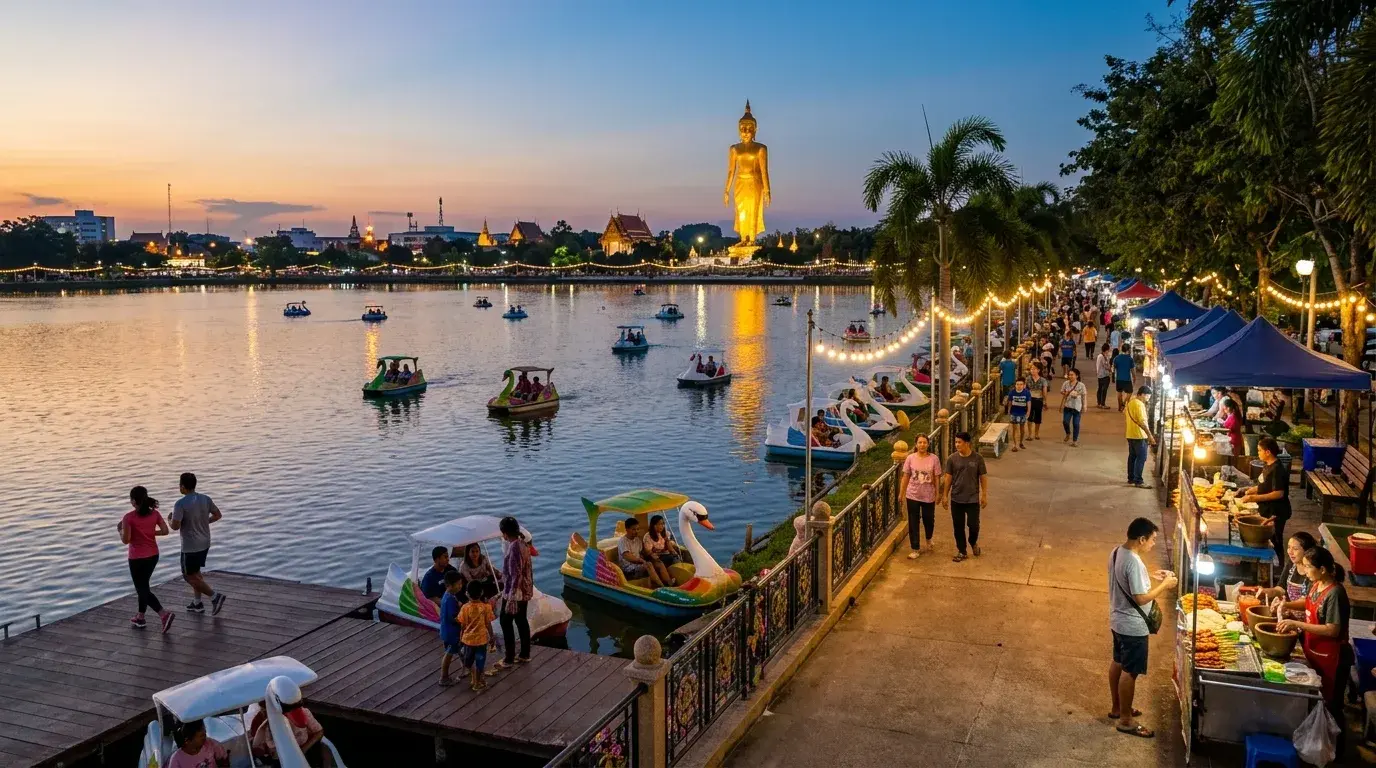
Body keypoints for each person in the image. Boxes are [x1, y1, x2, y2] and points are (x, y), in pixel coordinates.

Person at [1274, 548, 1353, 751]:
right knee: (1317, 701)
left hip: (1333, 657)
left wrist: (1297, 625)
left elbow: (1333, 630)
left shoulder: (1335, 593)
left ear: (1323, 569)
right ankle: (1317, 742)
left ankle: (1337, 751)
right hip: (1315, 651)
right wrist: (1287, 605)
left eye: (1309, 567)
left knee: (1332, 705)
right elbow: (1308, 603)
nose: (1305, 570)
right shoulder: (1317, 584)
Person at [1108, 517, 1177, 739]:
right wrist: (1165, 586)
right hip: (1132, 626)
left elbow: (1128, 581)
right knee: (1131, 671)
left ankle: (1118, 708)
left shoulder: (1117, 552)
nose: (1153, 544)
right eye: (1152, 539)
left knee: (1118, 662)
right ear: (1141, 539)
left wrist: (1151, 576)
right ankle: (1126, 720)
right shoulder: (1134, 562)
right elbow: (1139, 598)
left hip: (1118, 620)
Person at [120, 486, 174, 633]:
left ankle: (163, 614)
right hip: (153, 556)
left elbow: (126, 540)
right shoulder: (154, 514)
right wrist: (149, 532)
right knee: (144, 586)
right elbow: (165, 531)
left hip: (137, 558)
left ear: (133, 501)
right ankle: (140, 617)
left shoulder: (128, 517)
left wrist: (120, 531)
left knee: (141, 588)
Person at [170, 473, 225, 616]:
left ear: (182, 486)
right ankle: (197, 603)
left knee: (188, 576)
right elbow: (218, 515)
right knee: (196, 572)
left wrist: (169, 518)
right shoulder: (206, 499)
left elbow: (175, 526)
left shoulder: (180, 504)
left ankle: (214, 596)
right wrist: (205, 522)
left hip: (190, 546)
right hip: (205, 542)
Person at [1241, 437, 1292, 560]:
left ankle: (1279, 566)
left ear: (1268, 452)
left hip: (1276, 511)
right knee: (1268, 538)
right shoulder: (1267, 465)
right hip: (1267, 509)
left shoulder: (1277, 469)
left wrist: (1254, 497)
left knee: (1275, 539)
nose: (1258, 453)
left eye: (1259, 450)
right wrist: (1247, 490)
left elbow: (1278, 493)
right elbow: (1263, 485)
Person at [940, 432, 987, 563]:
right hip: (956, 498)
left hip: (972, 499)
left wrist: (984, 494)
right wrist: (945, 495)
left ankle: (973, 542)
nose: (957, 445)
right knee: (958, 526)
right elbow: (948, 478)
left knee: (973, 525)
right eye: (956, 442)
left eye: (959, 442)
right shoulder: (952, 459)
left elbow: (983, 477)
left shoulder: (978, 459)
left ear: (967, 443)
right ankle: (962, 551)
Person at [495, 516, 533, 670]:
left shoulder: (514, 548)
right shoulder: (523, 544)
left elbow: (514, 575)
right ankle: (524, 654)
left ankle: (509, 658)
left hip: (515, 592)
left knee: (505, 620)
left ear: (504, 533)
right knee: (521, 620)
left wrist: (510, 598)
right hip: (524, 590)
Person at [250, 683, 324, 762]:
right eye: (264, 709)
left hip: (304, 752)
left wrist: (303, 750)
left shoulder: (301, 713)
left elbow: (319, 731)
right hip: (281, 759)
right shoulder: (260, 721)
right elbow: (258, 748)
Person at [899, 434, 941, 559]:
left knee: (929, 519)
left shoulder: (934, 459)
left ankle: (928, 538)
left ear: (928, 444)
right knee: (913, 522)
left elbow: (937, 477)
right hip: (912, 494)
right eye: (920, 443)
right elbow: (906, 476)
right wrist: (901, 493)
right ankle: (915, 548)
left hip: (928, 495)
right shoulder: (910, 458)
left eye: (924, 442)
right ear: (916, 445)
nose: (922, 445)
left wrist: (938, 493)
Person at [1259, 531, 1318, 617]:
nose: (1290, 552)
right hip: (1291, 615)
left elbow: (1307, 602)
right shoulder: (1292, 564)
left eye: (1295, 549)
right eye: (1289, 547)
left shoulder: (1312, 571)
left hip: (1307, 619)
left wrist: (1285, 604)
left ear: (1307, 551)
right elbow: (1280, 589)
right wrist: (1264, 592)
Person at [457, 581, 496, 691]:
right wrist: (492, 637)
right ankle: (478, 681)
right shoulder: (486, 608)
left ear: (467, 594)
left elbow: (463, 625)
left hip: (468, 640)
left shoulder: (465, 608)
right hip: (481, 641)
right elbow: (488, 623)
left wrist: (461, 637)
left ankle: (476, 679)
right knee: (480, 662)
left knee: (468, 661)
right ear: (482, 592)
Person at [438, 571, 465, 687]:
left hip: (448, 630)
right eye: (458, 584)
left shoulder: (448, 595)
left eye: (461, 583)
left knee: (461, 650)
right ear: (449, 585)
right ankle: (444, 677)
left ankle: (467, 668)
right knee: (449, 653)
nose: (460, 586)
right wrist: (464, 618)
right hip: (451, 632)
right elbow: (453, 618)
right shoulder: (449, 599)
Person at [616, 516, 661, 586]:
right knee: (648, 565)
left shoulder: (637, 540)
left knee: (657, 563)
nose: (636, 531)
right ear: (627, 529)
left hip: (637, 565)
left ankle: (661, 582)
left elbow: (642, 553)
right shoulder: (623, 541)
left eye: (637, 529)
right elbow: (627, 556)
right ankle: (660, 585)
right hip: (628, 570)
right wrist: (641, 560)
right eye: (633, 529)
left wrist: (652, 552)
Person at [1125, 385, 1154, 488]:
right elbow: (1142, 421)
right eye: (1148, 397)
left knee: (1132, 456)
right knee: (1141, 458)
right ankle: (1138, 481)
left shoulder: (1130, 402)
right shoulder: (1139, 404)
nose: (1148, 399)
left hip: (1130, 433)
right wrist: (1149, 435)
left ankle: (1131, 478)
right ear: (1142, 395)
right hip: (1139, 435)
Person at [643, 514, 682, 586]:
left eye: (663, 524)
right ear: (654, 525)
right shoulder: (648, 537)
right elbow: (649, 552)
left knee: (676, 557)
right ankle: (668, 582)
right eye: (659, 524)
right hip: (653, 558)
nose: (662, 526)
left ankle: (680, 577)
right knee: (660, 564)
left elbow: (669, 546)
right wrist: (656, 558)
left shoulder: (665, 533)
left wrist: (675, 553)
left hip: (665, 555)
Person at [1058, 368, 1087, 447]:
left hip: (1077, 407)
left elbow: (1084, 396)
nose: (1070, 376)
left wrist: (1084, 406)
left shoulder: (1081, 385)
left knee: (1076, 424)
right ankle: (1068, 433)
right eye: (1069, 375)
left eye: (1072, 375)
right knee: (1065, 422)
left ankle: (1074, 440)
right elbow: (1061, 391)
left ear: (1076, 376)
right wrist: (1065, 393)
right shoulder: (1066, 383)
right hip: (1068, 406)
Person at [1005, 376, 1031, 451]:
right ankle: (1015, 445)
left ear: (1024, 385)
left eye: (1021, 384)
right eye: (1017, 384)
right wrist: (1009, 411)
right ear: (1015, 385)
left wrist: (1028, 412)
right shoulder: (1012, 392)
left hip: (1022, 413)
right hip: (1014, 412)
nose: (1019, 386)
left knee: (1022, 429)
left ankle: (1020, 442)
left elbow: (1029, 402)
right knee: (1014, 429)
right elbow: (1010, 402)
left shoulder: (1026, 392)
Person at [1027, 361, 1049, 440]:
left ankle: (1036, 433)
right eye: (1031, 369)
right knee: (1029, 417)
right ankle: (1030, 434)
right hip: (1029, 400)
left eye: (1034, 369)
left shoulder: (1043, 380)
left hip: (1039, 400)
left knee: (1038, 417)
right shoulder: (1028, 379)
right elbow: (1026, 389)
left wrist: (1045, 402)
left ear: (1038, 370)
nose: (1032, 370)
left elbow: (1045, 391)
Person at [1112, 344, 1135, 411]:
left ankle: (1120, 407)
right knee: (1130, 392)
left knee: (1119, 393)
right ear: (1128, 350)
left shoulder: (1116, 358)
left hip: (1119, 379)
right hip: (1127, 379)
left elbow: (1113, 368)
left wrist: (1113, 377)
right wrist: (1134, 377)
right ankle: (1124, 403)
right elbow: (1132, 370)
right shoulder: (1130, 359)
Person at [1094, 343, 1113, 409]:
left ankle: (1099, 403)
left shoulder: (1102, 356)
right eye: (1108, 350)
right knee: (1103, 389)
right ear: (1106, 350)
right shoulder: (1102, 357)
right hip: (1104, 375)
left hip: (1101, 375)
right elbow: (1105, 366)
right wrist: (1110, 369)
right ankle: (1102, 404)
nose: (1109, 351)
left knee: (1100, 389)